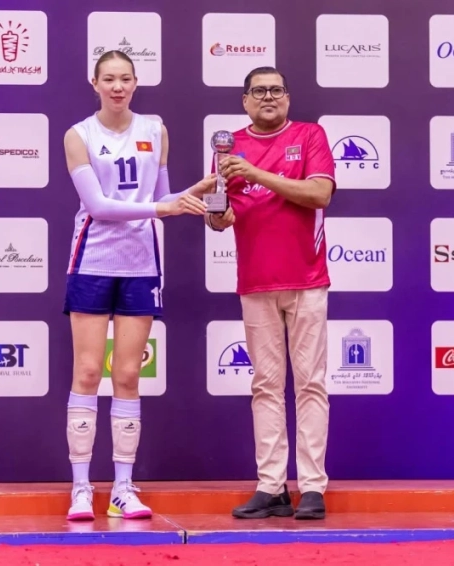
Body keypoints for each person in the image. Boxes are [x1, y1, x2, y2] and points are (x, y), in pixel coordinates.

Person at [62, 50, 214, 522]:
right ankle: (81, 488)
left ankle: (123, 489)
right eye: (109, 79)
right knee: (88, 371)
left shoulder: (155, 129)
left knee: (128, 375)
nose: (117, 87)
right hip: (92, 261)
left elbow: (162, 197)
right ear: (94, 83)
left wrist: (193, 193)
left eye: (125, 78)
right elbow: (99, 206)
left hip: (141, 265)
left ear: (135, 82)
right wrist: (161, 209)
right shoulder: (79, 135)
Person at [205, 66, 335, 521]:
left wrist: (257, 172)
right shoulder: (228, 149)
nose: (268, 97)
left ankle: (312, 486)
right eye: (258, 91)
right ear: (244, 101)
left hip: (307, 279)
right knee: (265, 386)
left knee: (311, 383)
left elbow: (319, 194)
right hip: (256, 281)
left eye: (276, 90)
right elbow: (220, 213)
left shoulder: (310, 135)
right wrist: (216, 216)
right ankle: (272, 486)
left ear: (287, 97)